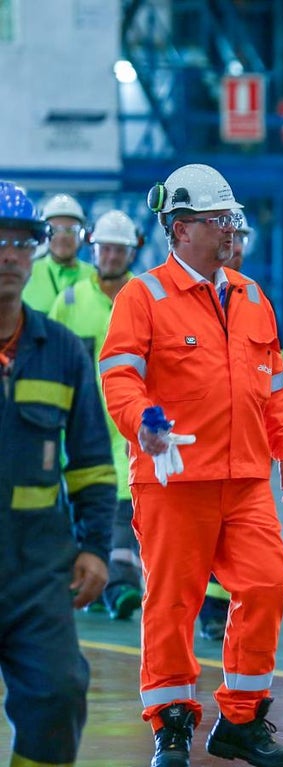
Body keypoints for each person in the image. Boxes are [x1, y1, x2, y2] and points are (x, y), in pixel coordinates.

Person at [99, 163, 283, 767]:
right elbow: (119, 378)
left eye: (231, 221)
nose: (229, 232)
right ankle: (171, 725)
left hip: (245, 479)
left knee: (266, 584)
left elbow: (276, 382)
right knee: (172, 604)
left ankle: (240, 720)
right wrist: (145, 424)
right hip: (174, 483)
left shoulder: (250, 295)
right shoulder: (144, 296)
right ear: (182, 228)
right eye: (219, 222)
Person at [0, 181, 117, 766]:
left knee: (58, 694)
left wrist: (96, 547)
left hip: (36, 569)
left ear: (36, 252)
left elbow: (94, 463)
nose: (8, 254)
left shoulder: (64, 350)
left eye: (21, 242)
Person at [49, 209, 146, 620]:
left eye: (118, 250)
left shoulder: (143, 298)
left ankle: (118, 585)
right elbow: (48, 355)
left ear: (130, 253)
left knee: (125, 508)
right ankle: (99, 580)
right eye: (105, 248)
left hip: (131, 425)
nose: (110, 256)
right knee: (82, 505)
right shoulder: (70, 300)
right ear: (95, 249)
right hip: (81, 425)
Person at [198, 211, 254, 640]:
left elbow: (274, 381)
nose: (234, 243)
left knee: (255, 566)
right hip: (192, 456)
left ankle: (217, 610)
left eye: (240, 236)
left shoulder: (254, 299)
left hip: (245, 456)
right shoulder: (158, 295)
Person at [23, 192, 96, 312]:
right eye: (55, 230)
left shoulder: (94, 278)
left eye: (70, 230)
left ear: (82, 235)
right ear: (44, 234)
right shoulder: (26, 273)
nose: (62, 236)